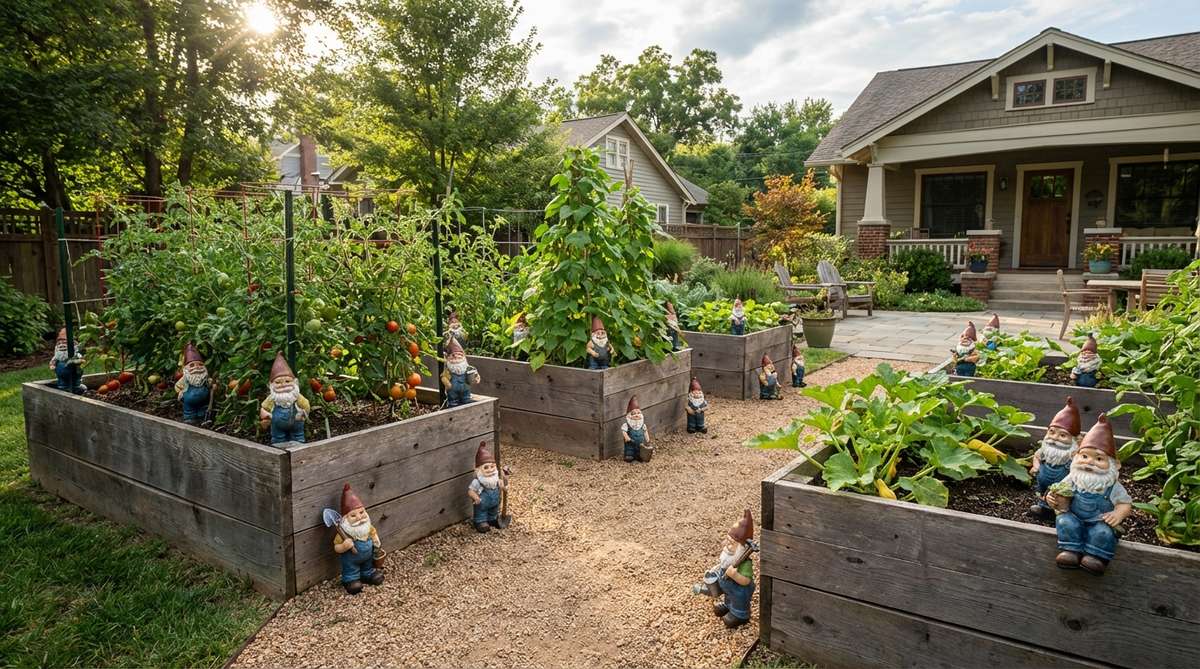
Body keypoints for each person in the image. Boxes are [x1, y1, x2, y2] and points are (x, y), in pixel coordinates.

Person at [1045, 414, 1132, 575]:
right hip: (1074, 516)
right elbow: (1058, 490)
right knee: (1064, 522)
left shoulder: (1112, 486)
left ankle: (1095, 556)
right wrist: (1051, 498)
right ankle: (1071, 551)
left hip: (1100, 520)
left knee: (1103, 532)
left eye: (1099, 459)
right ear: (1076, 457)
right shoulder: (1073, 478)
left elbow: (1125, 504)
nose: (1089, 462)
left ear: (1115, 465)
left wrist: (1118, 514)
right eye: (1084, 456)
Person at [692, 509, 756, 629]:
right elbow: (723, 564)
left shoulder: (744, 563)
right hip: (729, 590)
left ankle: (740, 615)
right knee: (729, 595)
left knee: (737, 603)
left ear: (742, 548)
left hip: (739, 592)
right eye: (727, 540)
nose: (727, 545)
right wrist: (714, 570)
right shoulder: (729, 557)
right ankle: (728, 605)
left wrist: (735, 575)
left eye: (732, 543)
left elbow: (747, 581)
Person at [1028, 397, 1081, 519]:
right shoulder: (1045, 451)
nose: (1055, 438)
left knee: (1061, 497)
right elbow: (1037, 457)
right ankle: (1043, 507)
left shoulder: (1073, 456)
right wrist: (1036, 467)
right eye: (1052, 432)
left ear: (1074, 440)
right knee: (1043, 494)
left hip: (1063, 485)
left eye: (1062, 435)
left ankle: (1061, 512)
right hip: (1044, 482)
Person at [332, 483, 384, 594]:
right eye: (353, 515)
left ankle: (367, 574)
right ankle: (351, 580)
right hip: (351, 560)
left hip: (367, 557)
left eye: (361, 512)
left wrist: (376, 543)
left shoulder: (368, 527)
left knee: (368, 565)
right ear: (345, 519)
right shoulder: (344, 533)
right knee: (350, 569)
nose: (359, 517)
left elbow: (373, 534)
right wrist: (344, 546)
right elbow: (336, 547)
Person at [259, 354, 310, 445]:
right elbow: (264, 408)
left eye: (287, 381)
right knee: (277, 436)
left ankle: (297, 441)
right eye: (278, 382)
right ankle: (279, 442)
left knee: (297, 434)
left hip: (296, 423)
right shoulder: (272, 398)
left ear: (295, 382)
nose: (283, 385)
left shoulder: (297, 397)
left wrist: (303, 414)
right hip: (277, 426)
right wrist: (266, 415)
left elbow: (306, 405)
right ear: (271, 385)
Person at [467, 441, 508, 533]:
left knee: (493, 511)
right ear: (478, 470)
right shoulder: (478, 481)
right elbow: (470, 491)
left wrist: (503, 486)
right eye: (486, 468)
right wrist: (476, 497)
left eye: (492, 467)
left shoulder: (496, 478)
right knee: (480, 512)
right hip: (482, 503)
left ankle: (492, 519)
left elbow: (502, 486)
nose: (490, 470)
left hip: (494, 502)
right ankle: (480, 522)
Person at [175, 342, 211, 425]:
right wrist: (180, 392)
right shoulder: (185, 378)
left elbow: (210, 384)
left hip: (204, 401)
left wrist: (213, 385)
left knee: (203, 409)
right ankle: (190, 418)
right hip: (188, 401)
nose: (197, 367)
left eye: (200, 364)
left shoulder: (205, 378)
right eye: (192, 365)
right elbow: (177, 386)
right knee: (189, 410)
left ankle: (202, 417)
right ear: (185, 368)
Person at [440, 337, 480, 407]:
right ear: (448, 358)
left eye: (459, 356)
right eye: (453, 356)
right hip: (453, 391)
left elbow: (475, 374)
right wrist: (447, 383)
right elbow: (443, 377)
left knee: (466, 397)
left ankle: (466, 399)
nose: (456, 358)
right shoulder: (449, 370)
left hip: (465, 389)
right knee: (453, 398)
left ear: (463, 357)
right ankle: (453, 402)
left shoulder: (468, 368)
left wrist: (477, 378)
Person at [48, 328, 85, 394]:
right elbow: (53, 361)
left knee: (76, 379)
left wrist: (80, 360)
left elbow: (81, 359)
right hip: (61, 371)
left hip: (74, 371)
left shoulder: (75, 354)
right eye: (59, 343)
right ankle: (63, 386)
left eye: (65, 343)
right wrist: (52, 365)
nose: (62, 345)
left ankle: (76, 386)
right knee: (62, 381)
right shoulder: (57, 356)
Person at [621, 396, 650, 463]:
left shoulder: (643, 425)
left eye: (638, 413)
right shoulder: (627, 425)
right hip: (630, 443)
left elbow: (645, 432)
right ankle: (630, 456)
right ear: (629, 415)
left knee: (640, 450)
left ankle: (639, 457)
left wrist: (648, 440)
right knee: (630, 450)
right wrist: (627, 438)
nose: (636, 415)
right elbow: (624, 432)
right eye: (634, 413)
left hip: (640, 443)